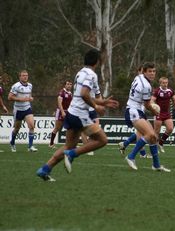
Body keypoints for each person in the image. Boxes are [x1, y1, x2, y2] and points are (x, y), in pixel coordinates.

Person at [36, 49, 119, 181]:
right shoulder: (91, 74)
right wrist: (97, 106)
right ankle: (72, 154)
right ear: (97, 61)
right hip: (80, 115)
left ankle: (45, 169)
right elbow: (84, 94)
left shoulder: (80, 73)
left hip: (72, 113)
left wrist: (102, 102)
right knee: (102, 140)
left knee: (68, 145)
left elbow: (85, 95)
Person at [124, 62, 170, 172]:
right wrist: (155, 111)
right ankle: (131, 156)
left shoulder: (138, 77)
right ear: (144, 72)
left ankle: (156, 165)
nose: (152, 73)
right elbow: (147, 105)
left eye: (154, 71)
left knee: (153, 137)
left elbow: (145, 103)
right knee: (149, 134)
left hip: (136, 110)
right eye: (149, 71)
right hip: (133, 111)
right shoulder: (146, 86)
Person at [8, 70, 38, 152]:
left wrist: (30, 98)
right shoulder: (16, 86)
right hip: (18, 110)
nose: (25, 77)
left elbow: (29, 95)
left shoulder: (30, 85)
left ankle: (30, 146)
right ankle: (12, 142)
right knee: (17, 128)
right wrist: (20, 99)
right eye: (23, 75)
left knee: (32, 126)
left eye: (26, 75)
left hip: (27, 108)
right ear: (20, 77)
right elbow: (10, 97)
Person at [152, 76, 175, 153]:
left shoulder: (170, 91)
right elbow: (152, 101)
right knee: (156, 132)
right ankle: (155, 148)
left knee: (170, 128)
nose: (165, 84)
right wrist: (154, 107)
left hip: (166, 113)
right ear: (160, 83)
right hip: (158, 113)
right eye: (163, 83)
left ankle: (161, 142)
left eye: (166, 83)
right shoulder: (157, 91)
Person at [49, 80, 73, 148]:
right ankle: (51, 143)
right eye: (68, 84)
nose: (69, 85)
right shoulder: (62, 92)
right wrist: (62, 111)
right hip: (60, 112)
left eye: (70, 84)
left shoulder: (70, 93)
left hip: (68, 112)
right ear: (65, 85)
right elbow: (59, 103)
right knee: (57, 128)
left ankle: (69, 144)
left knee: (70, 128)